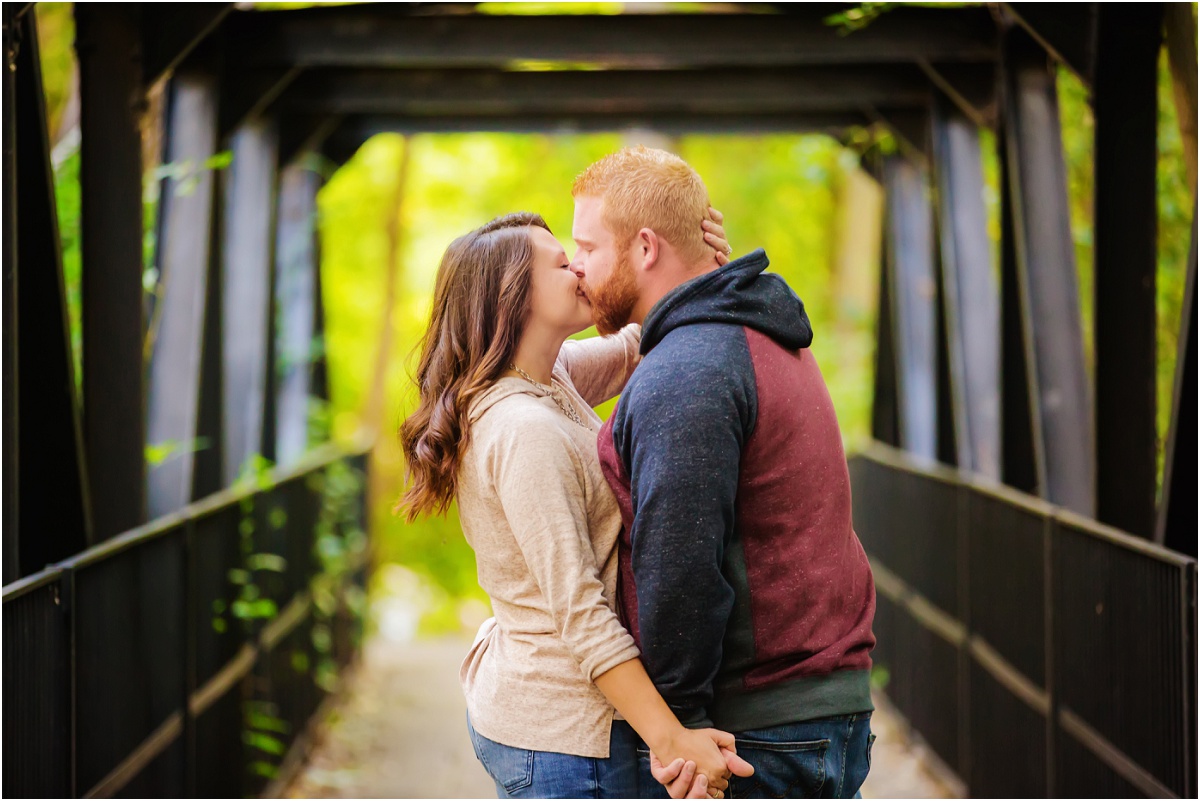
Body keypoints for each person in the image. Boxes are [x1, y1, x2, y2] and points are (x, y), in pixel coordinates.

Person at [398, 210, 754, 799]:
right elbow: (580, 612)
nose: (582, 268)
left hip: (562, 718)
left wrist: (697, 266)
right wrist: (672, 740)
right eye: (563, 263)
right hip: (564, 737)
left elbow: (641, 342)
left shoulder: (548, 375)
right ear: (513, 297)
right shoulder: (522, 429)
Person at [570, 146, 878, 799]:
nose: (578, 266)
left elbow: (680, 568)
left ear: (646, 248)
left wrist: (678, 724)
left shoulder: (689, 371)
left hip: (757, 729)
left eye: (588, 246)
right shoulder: (746, 328)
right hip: (811, 705)